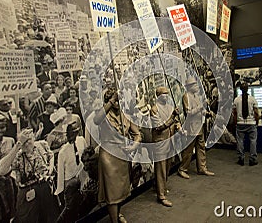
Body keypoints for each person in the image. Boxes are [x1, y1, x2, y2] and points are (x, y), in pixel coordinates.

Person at [93, 88, 142, 223]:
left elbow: (138, 134)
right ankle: (114, 220)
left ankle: (118, 213)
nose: (117, 103)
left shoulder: (125, 115)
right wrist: (111, 100)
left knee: (121, 190)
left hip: (123, 155)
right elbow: (96, 120)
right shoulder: (104, 115)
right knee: (112, 192)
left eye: (119, 100)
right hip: (108, 156)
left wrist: (133, 146)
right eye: (115, 100)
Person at [0, 128, 60, 223]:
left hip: (45, 187)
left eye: (28, 140)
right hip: (27, 191)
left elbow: (50, 155)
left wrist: (50, 170)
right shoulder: (17, 156)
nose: (26, 144)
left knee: (50, 217)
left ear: (33, 138)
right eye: (23, 142)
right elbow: (2, 171)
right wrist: (17, 146)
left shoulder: (41, 145)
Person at [178, 77, 214, 179]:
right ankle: (182, 169)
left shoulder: (197, 96)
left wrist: (206, 113)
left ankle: (202, 168)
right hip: (191, 128)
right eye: (195, 84)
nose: (197, 86)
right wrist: (201, 106)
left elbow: (200, 110)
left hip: (199, 127)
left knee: (201, 148)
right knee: (188, 151)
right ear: (189, 87)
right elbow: (189, 113)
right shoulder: (186, 96)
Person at [150, 87, 180, 207]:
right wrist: (172, 117)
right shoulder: (154, 109)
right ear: (158, 95)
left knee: (167, 166)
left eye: (168, 93)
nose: (166, 96)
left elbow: (175, 121)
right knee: (161, 168)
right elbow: (158, 127)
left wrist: (178, 125)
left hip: (170, 140)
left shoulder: (169, 107)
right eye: (164, 94)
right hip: (160, 142)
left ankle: (159, 186)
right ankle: (161, 195)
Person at [55, 123, 88, 223]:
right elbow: (60, 173)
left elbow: (87, 156)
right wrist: (60, 190)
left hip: (82, 175)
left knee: (83, 204)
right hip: (69, 181)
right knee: (71, 208)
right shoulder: (63, 151)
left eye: (73, 133)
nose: (71, 136)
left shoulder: (81, 140)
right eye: (69, 133)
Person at [232, 82, 260, 166]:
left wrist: (235, 123)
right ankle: (252, 159)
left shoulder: (236, 100)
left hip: (240, 123)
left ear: (240, 89)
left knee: (240, 141)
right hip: (251, 123)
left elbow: (235, 113)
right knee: (253, 141)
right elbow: (256, 113)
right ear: (248, 89)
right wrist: (257, 122)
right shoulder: (252, 99)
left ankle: (241, 158)